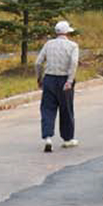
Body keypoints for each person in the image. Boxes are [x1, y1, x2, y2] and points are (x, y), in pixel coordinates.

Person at [35, 19, 79, 152]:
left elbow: (38, 63)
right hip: (64, 79)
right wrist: (70, 81)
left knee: (47, 109)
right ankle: (68, 139)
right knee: (66, 109)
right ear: (67, 33)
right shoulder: (73, 46)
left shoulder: (48, 44)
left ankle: (48, 137)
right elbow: (74, 63)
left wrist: (40, 78)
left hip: (49, 79)